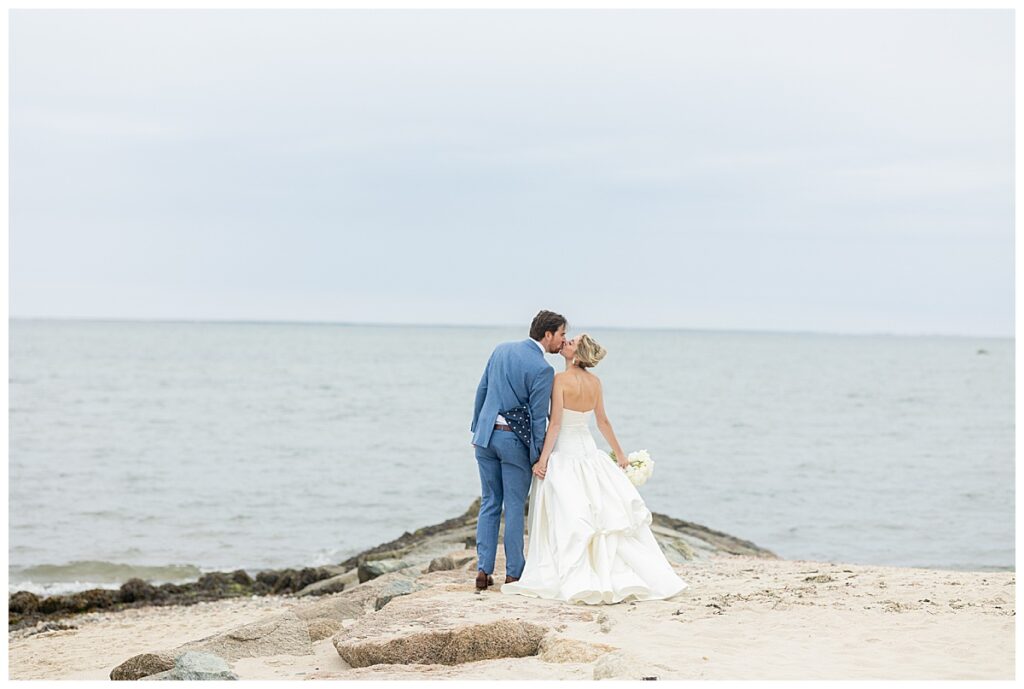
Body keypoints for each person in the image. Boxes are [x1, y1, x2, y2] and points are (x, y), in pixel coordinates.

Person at [501, 333, 689, 604]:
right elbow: (602, 422)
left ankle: (575, 573)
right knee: (598, 510)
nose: (566, 342)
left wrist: (542, 460)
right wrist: (620, 454)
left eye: (572, 342)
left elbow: (555, 425)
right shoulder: (595, 383)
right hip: (589, 451)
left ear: (577, 354)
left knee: (570, 512)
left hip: (565, 452)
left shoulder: (560, 380)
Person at [470, 310, 567, 591]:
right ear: (547, 334)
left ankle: (483, 569)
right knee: (513, 506)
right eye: (561, 334)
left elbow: (482, 390)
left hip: (485, 437)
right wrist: (538, 456)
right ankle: (513, 573)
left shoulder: (501, 350)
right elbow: (539, 418)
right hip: (513, 442)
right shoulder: (543, 369)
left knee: (489, 502)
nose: (562, 340)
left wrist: (477, 427)